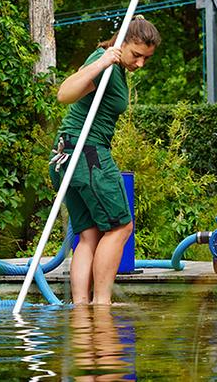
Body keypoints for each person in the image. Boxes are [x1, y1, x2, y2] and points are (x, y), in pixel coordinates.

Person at [50, 16, 160, 305]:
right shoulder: (104, 61)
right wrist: (103, 62)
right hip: (88, 153)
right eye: (136, 55)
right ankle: (101, 305)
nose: (140, 64)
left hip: (67, 152)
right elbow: (65, 94)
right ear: (121, 42)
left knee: (89, 234)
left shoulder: (114, 66)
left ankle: (80, 307)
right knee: (121, 226)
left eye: (146, 58)